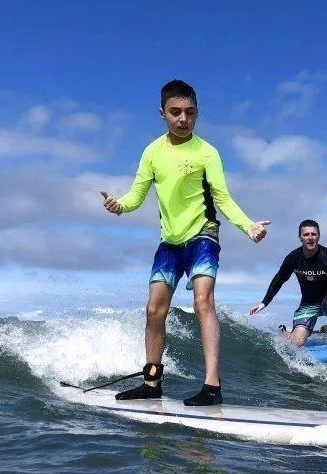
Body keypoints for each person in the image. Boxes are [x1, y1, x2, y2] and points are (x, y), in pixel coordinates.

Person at [100, 79, 270, 406]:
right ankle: (152, 384)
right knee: (154, 309)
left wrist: (248, 226)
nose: (182, 119)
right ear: (161, 113)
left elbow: (222, 198)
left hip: (203, 234)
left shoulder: (207, 152)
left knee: (203, 301)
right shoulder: (152, 152)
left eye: (189, 113)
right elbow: (136, 197)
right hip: (170, 241)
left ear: (197, 114)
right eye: (175, 112)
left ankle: (212, 386)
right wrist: (118, 206)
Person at [249, 219, 327, 349]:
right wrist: (264, 303)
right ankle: (284, 332)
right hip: (308, 305)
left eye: (314, 234)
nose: (310, 238)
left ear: (318, 236)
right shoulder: (293, 258)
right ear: (300, 238)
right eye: (306, 234)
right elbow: (279, 279)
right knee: (297, 343)